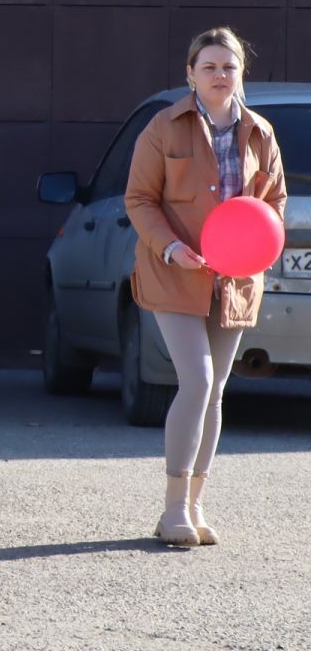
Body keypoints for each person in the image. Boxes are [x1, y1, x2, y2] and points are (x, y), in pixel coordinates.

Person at [124, 28, 286, 547]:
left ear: (242, 73)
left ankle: (194, 506)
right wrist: (171, 247)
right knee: (195, 379)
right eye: (210, 67)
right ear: (190, 73)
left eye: (230, 67)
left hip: (234, 280)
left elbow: (273, 203)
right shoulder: (163, 127)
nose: (221, 76)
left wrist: (256, 246)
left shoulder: (260, 132)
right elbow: (140, 200)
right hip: (174, 272)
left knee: (216, 389)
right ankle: (173, 509)